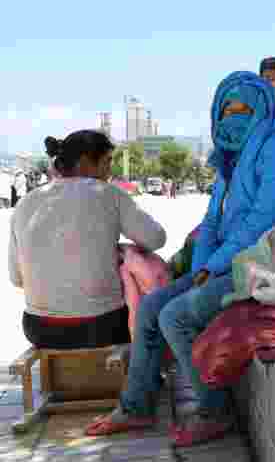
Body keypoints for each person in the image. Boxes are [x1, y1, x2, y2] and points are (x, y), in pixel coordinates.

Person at [86, 71, 275, 445]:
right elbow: (212, 222)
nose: (232, 116)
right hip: (231, 261)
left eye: (243, 108)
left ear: (262, 109)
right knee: (150, 309)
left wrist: (213, 265)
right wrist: (200, 268)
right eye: (226, 108)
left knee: (176, 316)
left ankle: (213, 411)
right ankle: (135, 407)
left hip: (271, 259)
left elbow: (263, 220)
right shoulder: (228, 158)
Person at [9, 131, 166, 350]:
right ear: (84, 162)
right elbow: (156, 238)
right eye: (107, 162)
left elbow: (16, 279)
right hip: (101, 326)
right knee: (143, 268)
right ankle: (147, 375)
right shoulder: (108, 193)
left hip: (38, 328)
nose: (110, 171)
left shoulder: (26, 202)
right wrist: (122, 252)